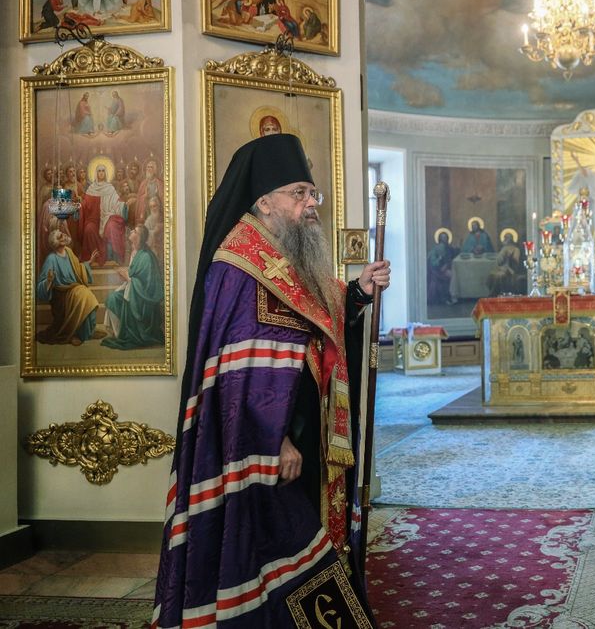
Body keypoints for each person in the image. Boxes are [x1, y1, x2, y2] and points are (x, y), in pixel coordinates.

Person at [154, 134, 388, 627]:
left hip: (307, 436)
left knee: (303, 543)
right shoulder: (238, 264)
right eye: (299, 193)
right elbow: (236, 372)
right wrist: (274, 441)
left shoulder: (283, 253)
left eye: (312, 193)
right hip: (263, 446)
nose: (311, 204)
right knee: (275, 549)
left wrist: (359, 292)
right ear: (264, 202)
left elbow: (317, 317)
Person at [101, 224, 163, 350]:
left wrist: (127, 277)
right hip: (133, 292)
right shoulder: (135, 251)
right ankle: (118, 334)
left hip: (141, 300)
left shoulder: (146, 256)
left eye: (134, 231)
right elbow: (133, 273)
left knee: (114, 299)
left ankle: (124, 335)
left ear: (139, 237)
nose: (131, 232)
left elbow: (147, 285)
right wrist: (125, 274)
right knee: (112, 298)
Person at [36, 229, 100, 346]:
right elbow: (40, 286)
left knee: (87, 297)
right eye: (61, 236)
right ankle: (76, 334)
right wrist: (48, 281)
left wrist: (89, 262)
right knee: (85, 296)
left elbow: (78, 268)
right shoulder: (51, 259)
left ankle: (85, 332)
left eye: (63, 234)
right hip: (62, 295)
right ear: (56, 242)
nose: (65, 235)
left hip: (75, 289)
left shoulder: (69, 252)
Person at [80, 162, 128, 265]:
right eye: (99, 171)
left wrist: (124, 205)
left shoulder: (110, 188)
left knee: (111, 226)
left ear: (105, 173)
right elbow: (85, 205)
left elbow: (117, 203)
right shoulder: (91, 188)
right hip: (93, 219)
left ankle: (112, 258)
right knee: (88, 229)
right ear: (96, 173)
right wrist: (80, 205)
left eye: (103, 171)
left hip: (108, 216)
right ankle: (93, 258)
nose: (101, 173)